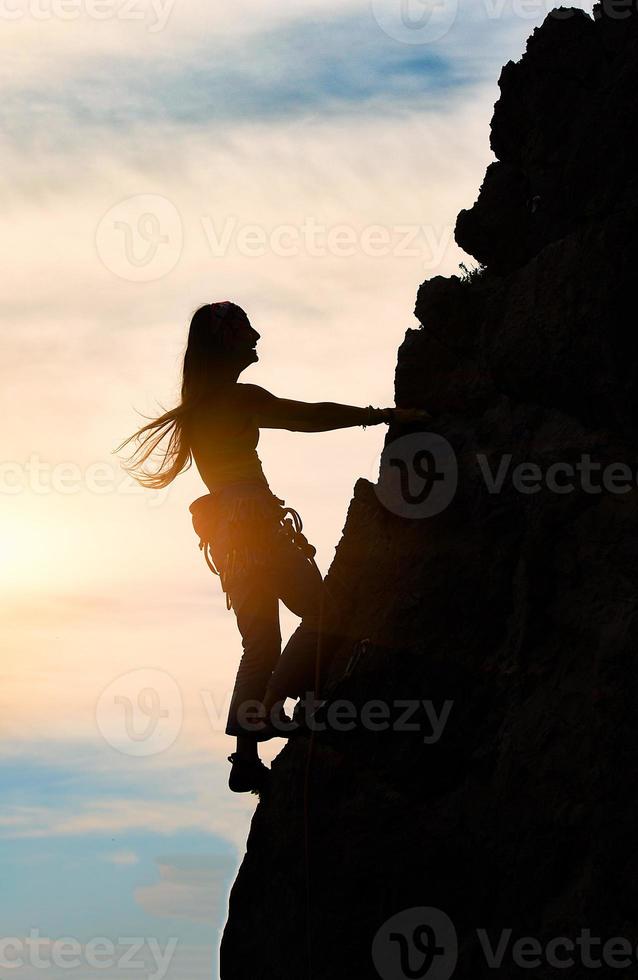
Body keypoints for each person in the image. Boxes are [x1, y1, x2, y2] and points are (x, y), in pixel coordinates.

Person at [118, 302, 430, 793]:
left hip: (226, 539)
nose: (256, 336)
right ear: (227, 342)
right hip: (256, 527)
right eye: (246, 329)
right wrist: (382, 416)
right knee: (325, 612)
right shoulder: (237, 399)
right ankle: (279, 706)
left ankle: (245, 757)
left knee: (260, 642)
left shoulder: (201, 408)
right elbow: (306, 417)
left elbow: (300, 417)